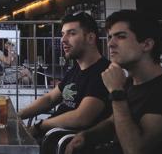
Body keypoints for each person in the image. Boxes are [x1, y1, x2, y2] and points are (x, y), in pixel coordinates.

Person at [65, 10, 162, 154]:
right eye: (110, 37)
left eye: (121, 37)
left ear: (147, 44)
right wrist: (86, 136)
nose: (110, 44)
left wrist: (117, 93)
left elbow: (135, 150)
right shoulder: (131, 84)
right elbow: (113, 122)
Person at [18, 12, 111, 141]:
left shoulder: (104, 72)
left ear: (90, 38)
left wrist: (40, 126)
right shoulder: (76, 69)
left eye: (72, 33)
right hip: (48, 136)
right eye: (63, 34)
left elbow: (81, 117)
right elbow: (50, 99)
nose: (63, 40)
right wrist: (18, 115)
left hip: (61, 142)